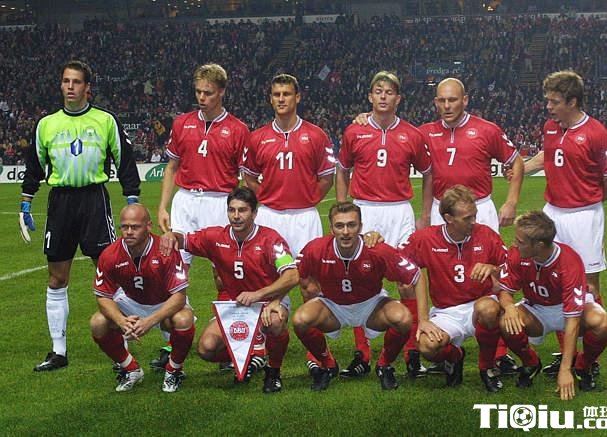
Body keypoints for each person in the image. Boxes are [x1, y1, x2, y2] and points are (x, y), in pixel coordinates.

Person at [20, 60, 141, 372]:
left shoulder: (105, 120)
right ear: (61, 85)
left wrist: (132, 197)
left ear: (87, 87)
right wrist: (26, 201)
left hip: (93, 200)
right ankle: (58, 351)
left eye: (76, 82)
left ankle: (121, 347)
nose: (70, 87)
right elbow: (34, 164)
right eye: (66, 81)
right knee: (57, 277)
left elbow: (124, 159)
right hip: (60, 202)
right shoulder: (46, 124)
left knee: (109, 272)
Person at [419, 77, 524, 375]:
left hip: (480, 208)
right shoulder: (424, 133)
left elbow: (516, 162)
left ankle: (500, 351)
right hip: (442, 210)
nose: (447, 105)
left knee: (494, 274)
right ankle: (444, 333)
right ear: (435, 102)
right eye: (441, 100)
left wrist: (511, 202)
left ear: (465, 100)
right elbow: (394, 135)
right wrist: (366, 117)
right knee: (440, 272)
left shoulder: (487, 130)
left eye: (453, 99)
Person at [523, 70, 607, 374]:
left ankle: (589, 358)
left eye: (554, 101)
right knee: (553, 278)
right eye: (548, 101)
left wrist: (589, 202)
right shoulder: (551, 127)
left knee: (588, 284)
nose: (548, 107)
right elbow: (546, 156)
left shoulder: (596, 132)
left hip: (583, 217)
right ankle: (567, 350)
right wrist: (521, 168)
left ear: (573, 101)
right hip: (552, 212)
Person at [336, 70, 432, 378]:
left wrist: (425, 215)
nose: (383, 96)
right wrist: (342, 209)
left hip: (399, 211)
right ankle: (362, 354)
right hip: (365, 209)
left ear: (398, 98)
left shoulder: (412, 134)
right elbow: (342, 170)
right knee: (361, 279)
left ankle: (412, 351)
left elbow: (428, 173)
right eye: (378, 91)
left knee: (406, 281)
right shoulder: (355, 131)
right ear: (370, 96)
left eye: (389, 92)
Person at [155, 63, 250, 370]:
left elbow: (246, 177)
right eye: (198, 92)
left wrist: (244, 211)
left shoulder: (238, 129)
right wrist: (163, 206)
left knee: (224, 272)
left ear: (221, 92)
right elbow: (171, 166)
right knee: (173, 270)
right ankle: (175, 340)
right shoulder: (182, 123)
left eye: (208, 92)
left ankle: (228, 337)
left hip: (219, 201)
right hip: (185, 200)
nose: (201, 98)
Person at [160, 187, 299, 393]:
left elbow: (292, 275)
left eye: (242, 210)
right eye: (231, 210)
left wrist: (260, 295)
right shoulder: (215, 237)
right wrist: (171, 236)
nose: (236, 216)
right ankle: (252, 356)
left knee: (275, 321)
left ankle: (273, 372)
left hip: (268, 301)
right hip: (234, 305)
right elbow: (184, 240)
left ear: (254, 213)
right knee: (206, 348)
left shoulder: (271, 240)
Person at [293, 202, 422, 391]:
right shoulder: (316, 249)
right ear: (331, 228)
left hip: (372, 305)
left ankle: (384, 365)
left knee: (403, 319)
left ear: (360, 227)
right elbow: (291, 275)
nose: (345, 231)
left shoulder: (377, 250)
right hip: (333, 306)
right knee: (300, 320)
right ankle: (327, 364)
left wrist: (424, 320)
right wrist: (274, 300)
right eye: (339, 226)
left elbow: (416, 276)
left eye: (351, 225)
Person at [402, 185, 507, 392]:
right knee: (427, 346)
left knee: (488, 309)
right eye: (467, 218)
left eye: (474, 215)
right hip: (446, 311)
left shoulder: (486, 234)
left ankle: (486, 367)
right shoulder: (425, 238)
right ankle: (455, 357)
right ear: (448, 218)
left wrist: (493, 268)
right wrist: (374, 239)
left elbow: (513, 266)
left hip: (481, 305)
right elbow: (396, 262)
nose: (474, 221)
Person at [498, 211, 607, 399]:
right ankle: (531, 362)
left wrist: (565, 369)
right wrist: (509, 307)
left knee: (601, 322)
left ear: (539, 245)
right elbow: (504, 291)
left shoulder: (569, 261)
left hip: (568, 308)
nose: (515, 243)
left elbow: (573, 319)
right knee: (505, 322)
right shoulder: (517, 254)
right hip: (536, 309)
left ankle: (583, 366)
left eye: (521, 241)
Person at [90, 204, 194, 392]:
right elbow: (103, 297)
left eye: (135, 227)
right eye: (124, 227)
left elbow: (179, 296)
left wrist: (149, 321)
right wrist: (121, 321)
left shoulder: (165, 250)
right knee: (98, 322)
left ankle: (174, 371)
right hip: (131, 301)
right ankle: (131, 369)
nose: (129, 232)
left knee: (184, 319)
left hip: (165, 301)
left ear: (148, 226)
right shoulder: (110, 254)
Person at [241, 73, 335, 257]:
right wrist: (266, 197)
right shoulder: (257, 137)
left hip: (305, 216)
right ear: (271, 99)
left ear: (297, 97)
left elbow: (327, 178)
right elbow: (249, 177)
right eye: (277, 95)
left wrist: (309, 198)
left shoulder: (317, 135)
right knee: (266, 270)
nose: (281, 99)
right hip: (269, 215)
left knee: (308, 273)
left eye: (287, 94)